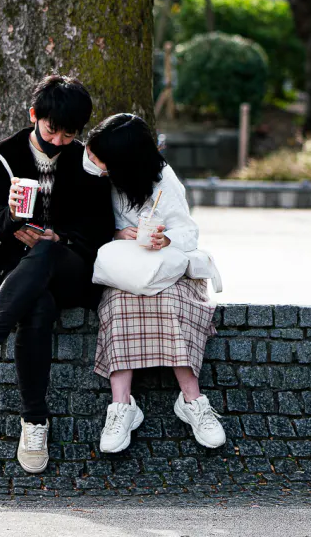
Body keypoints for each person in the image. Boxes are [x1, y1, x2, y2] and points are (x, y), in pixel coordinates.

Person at [0, 74, 114, 474]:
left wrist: (61, 235)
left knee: (50, 249)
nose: (58, 142)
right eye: (52, 130)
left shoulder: (84, 161)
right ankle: (34, 421)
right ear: (35, 114)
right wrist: (18, 216)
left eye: (68, 135)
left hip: (71, 266)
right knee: (37, 306)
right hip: (16, 270)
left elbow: (100, 225)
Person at [84, 113, 225, 454]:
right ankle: (121, 407)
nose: (94, 163)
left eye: (101, 160)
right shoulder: (95, 173)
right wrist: (118, 233)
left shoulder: (163, 181)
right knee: (119, 303)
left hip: (166, 268)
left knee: (169, 300)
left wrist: (165, 240)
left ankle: (192, 400)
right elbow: (87, 225)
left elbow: (189, 233)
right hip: (124, 270)